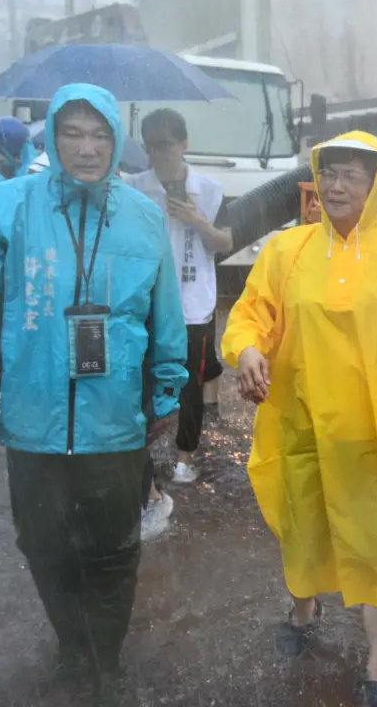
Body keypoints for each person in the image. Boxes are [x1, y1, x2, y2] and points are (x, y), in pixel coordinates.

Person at [0, 83, 189, 706]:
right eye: (73, 134)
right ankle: (72, 645)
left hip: (113, 421)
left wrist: (167, 391)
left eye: (100, 134)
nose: (87, 148)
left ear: (115, 139)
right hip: (33, 419)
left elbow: (165, 315)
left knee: (113, 549)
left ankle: (106, 661)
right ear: (52, 136)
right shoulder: (5, 208)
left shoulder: (142, 215)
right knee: (44, 545)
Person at [221, 131, 377, 706]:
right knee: (305, 529)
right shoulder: (287, 252)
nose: (337, 186)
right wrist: (247, 351)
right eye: (329, 173)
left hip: (374, 438)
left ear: (376, 186)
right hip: (303, 427)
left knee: (376, 548)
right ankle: (302, 613)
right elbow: (250, 315)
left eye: (352, 177)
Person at [124, 109, 232, 539]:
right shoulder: (134, 188)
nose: (159, 153)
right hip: (146, 303)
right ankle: (143, 463)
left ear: (184, 143)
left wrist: (197, 220)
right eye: (150, 145)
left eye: (166, 143)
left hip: (192, 304)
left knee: (188, 385)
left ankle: (185, 457)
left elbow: (225, 242)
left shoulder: (209, 189)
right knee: (140, 384)